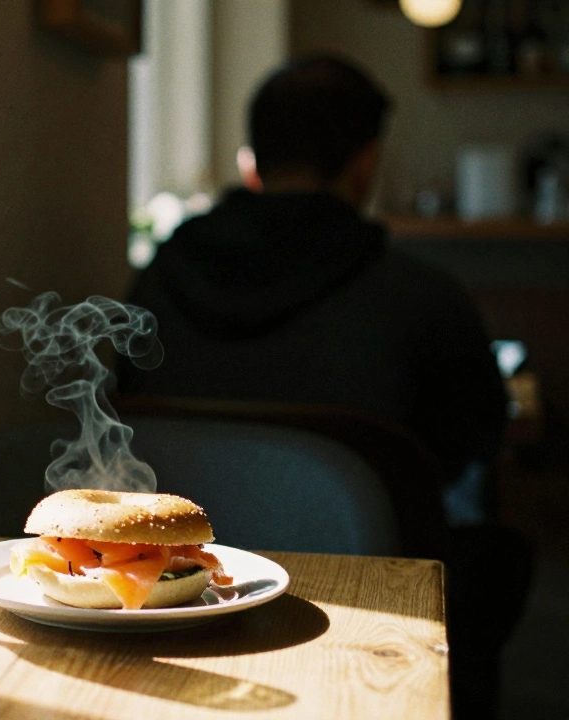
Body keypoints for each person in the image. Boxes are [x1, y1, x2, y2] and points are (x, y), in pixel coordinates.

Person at [117, 55, 525, 720]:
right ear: (364, 163)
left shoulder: (160, 278)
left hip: (167, 594)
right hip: (373, 604)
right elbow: (473, 441)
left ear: (255, 160)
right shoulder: (422, 296)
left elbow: (124, 410)